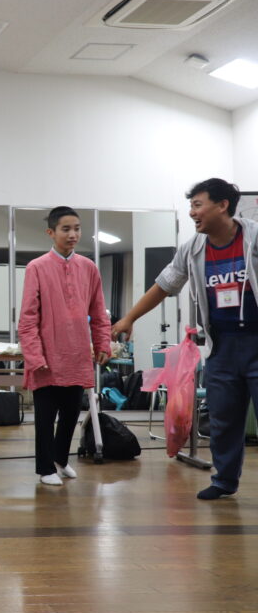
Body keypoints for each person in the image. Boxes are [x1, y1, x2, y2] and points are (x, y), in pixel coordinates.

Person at [113, 178, 258, 500]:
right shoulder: (192, 249)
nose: (192, 212)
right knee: (222, 419)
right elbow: (163, 286)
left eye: (197, 205)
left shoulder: (254, 237)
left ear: (222, 205)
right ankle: (224, 481)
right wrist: (129, 317)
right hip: (222, 346)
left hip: (255, 340)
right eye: (190, 206)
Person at [19, 206, 110, 487]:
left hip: (77, 353)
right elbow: (27, 318)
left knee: (71, 413)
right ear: (51, 232)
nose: (73, 234)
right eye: (66, 229)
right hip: (47, 355)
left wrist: (102, 342)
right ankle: (45, 467)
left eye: (77, 229)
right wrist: (34, 355)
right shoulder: (37, 267)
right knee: (46, 417)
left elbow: (99, 310)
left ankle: (60, 457)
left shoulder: (89, 267)